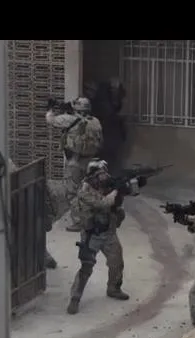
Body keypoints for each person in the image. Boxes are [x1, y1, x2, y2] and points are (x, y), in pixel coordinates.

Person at [66, 159, 136, 315]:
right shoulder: (85, 189)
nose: (105, 176)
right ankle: (75, 298)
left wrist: (132, 185)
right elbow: (103, 203)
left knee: (117, 262)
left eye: (105, 173)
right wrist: (116, 190)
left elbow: (126, 194)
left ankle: (113, 288)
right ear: (93, 175)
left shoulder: (107, 184)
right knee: (86, 267)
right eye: (101, 173)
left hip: (109, 232)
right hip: (92, 235)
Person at [45, 97, 103, 228]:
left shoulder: (69, 119)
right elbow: (101, 141)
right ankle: (93, 219)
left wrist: (51, 109)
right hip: (91, 160)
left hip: (75, 162)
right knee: (90, 190)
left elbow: (50, 120)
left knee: (72, 192)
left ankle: (78, 221)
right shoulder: (95, 121)